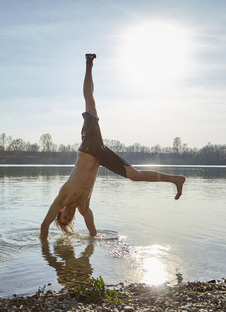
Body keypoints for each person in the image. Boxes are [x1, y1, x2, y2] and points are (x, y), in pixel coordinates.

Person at [40, 54, 185, 240]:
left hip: (89, 149)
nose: (69, 215)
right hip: (100, 157)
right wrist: (92, 243)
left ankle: (88, 63)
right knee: (135, 176)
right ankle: (175, 180)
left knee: (90, 102)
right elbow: (93, 233)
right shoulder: (84, 207)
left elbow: (44, 225)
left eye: (65, 216)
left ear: (60, 211)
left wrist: (44, 248)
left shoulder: (62, 197)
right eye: (69, 218)